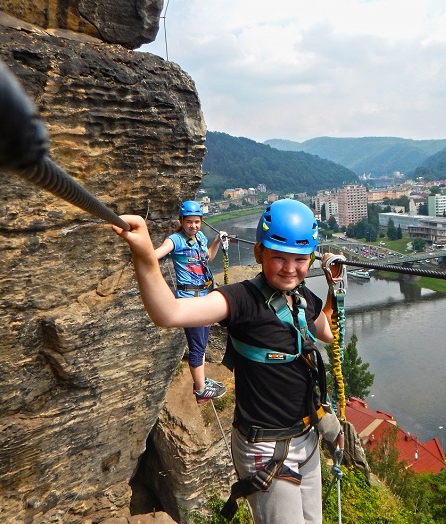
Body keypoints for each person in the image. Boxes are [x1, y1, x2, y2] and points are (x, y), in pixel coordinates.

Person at [113, 199, 344, 524]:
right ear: (259, 252)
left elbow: (328, 333)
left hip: (306, 437)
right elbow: (170, 313)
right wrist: (144, 256)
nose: (290, 268)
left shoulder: (303, 297)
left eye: (301, 259)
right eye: (279, 256)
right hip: (266, 446)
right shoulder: (240, 299)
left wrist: (334, 288)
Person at [153, 200, 227, 403]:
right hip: (189, 299)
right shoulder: (175, 240)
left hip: (203, 297)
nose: (193, 226)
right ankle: (201, 390)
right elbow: (155, 255)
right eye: (189, 222)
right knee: (197, 347)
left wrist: (217, 241)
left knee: (201, 344)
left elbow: (208, 258)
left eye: (196, 222)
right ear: (181, 221)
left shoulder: (200, 237)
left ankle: (200, 381)